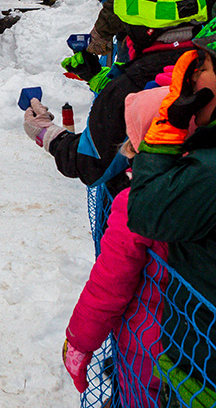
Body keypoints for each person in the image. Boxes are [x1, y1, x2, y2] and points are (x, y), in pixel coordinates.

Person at [25, 0, 207, 195]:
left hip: (138, 215)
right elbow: (158, 80)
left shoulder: (124, 92)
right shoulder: (207, 68)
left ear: (145, 30)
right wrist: (99, 78)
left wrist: (46, 133)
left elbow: (90, 165)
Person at [128, 18, 216, 406]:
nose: (193, 80)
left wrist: (165, 131)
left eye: (202, 69)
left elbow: (147, 211)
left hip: (202, 371)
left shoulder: (207, 174)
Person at [62, 89, 169, 406]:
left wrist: (79, 343)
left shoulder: (135, 204)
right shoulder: (199, 189)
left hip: (146, 348)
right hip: (197, 350)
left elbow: (108, 285)